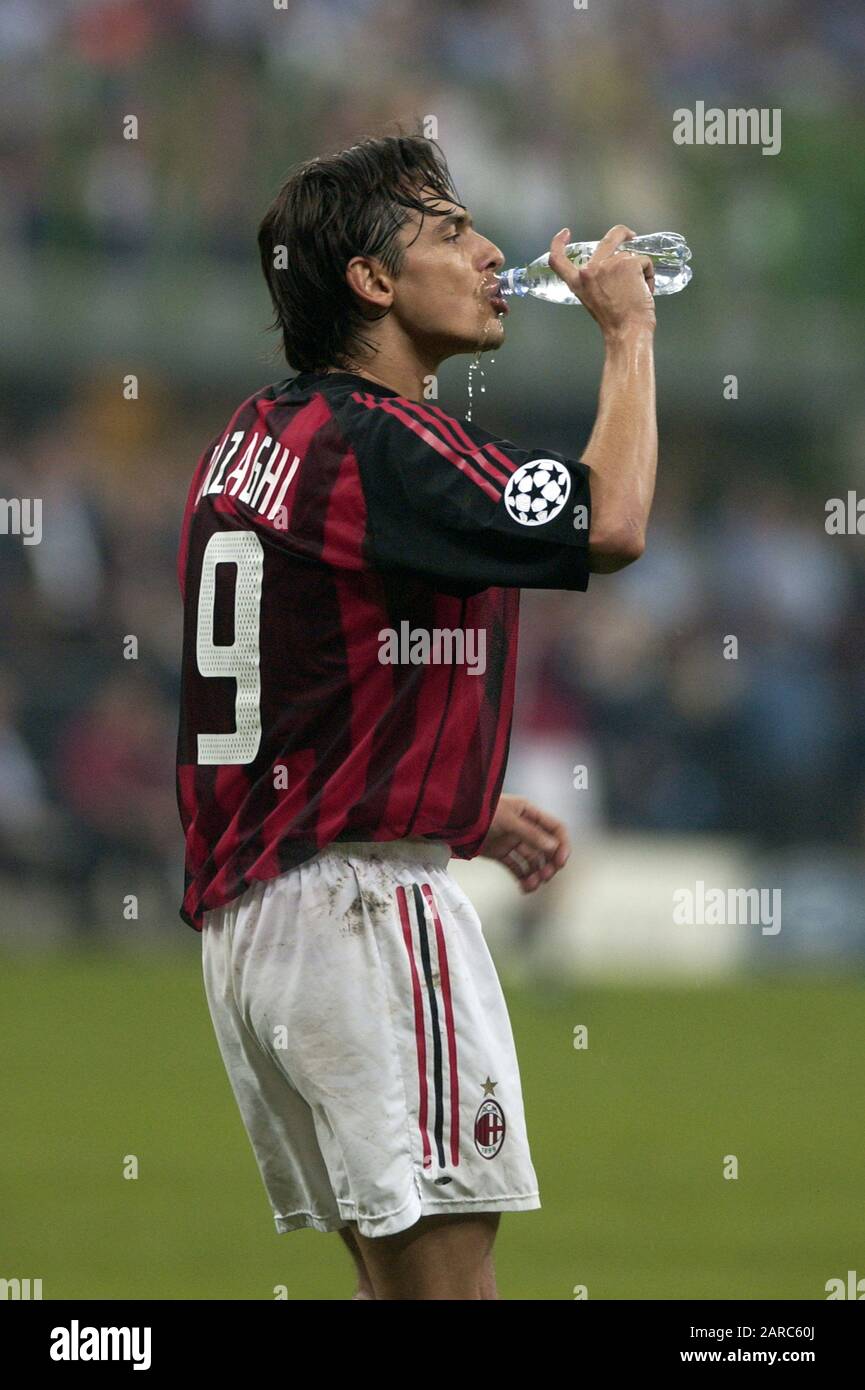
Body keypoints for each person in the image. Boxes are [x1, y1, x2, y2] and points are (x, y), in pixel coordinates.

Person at [175, 132, 657, 1300]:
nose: (493, 252)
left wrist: (455, 807)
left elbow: (304, 677)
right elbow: (608, 524)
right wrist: (630, 335)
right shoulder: (380, 441)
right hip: (359, 915)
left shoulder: (261, 434)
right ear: (371, 283)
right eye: (450, 232)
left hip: (262, 922)